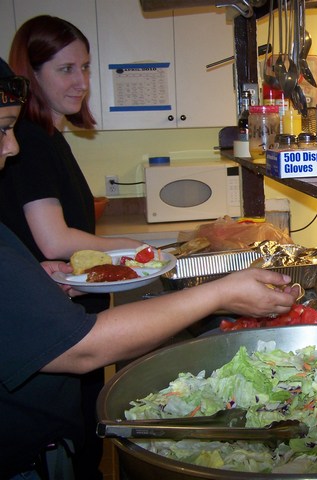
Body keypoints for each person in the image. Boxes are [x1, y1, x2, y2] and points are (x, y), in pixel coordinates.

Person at [0, 57, 300, 480]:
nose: (12, 147)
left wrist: (32, 280)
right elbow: (84, 348)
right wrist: (219, 292)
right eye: (2, 129)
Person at [0, 16, 142, 478]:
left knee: (82, 442)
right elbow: (55, 240)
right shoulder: (31, 140)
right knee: (77, 448)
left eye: (85, 67)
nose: (81, 81)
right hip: (53, 328)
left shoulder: (46, 137)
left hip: (59, 305)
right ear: (31, 74)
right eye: (65, 69)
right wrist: (137, 248)